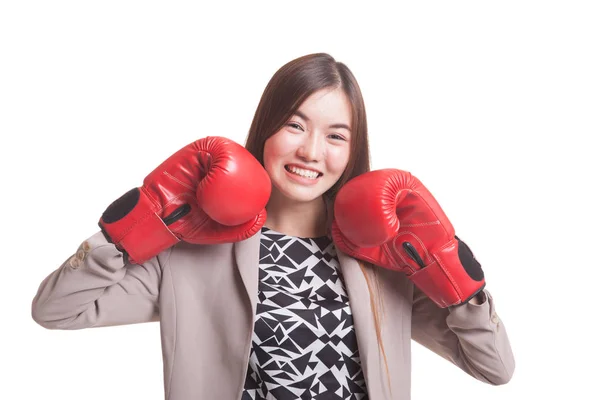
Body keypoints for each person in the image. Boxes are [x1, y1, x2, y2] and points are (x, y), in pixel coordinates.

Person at [31, 52, 515, 400]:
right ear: (266, 129)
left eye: (336, 136)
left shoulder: (382, 259)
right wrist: (130, 230)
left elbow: (493, 368)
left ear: (351, 152)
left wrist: (458, 281)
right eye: (295, 125)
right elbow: (56, 310)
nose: (310, 152)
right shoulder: (191, 254)